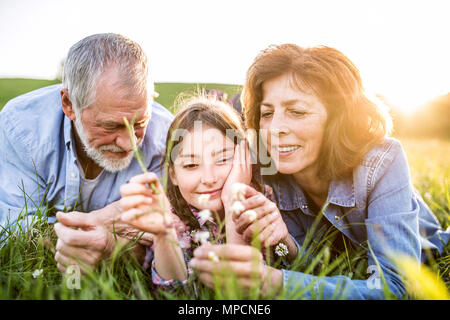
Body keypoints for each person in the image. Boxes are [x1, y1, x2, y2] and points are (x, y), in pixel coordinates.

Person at [189, 44, 450, 299]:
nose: (275, 128)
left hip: (428, 244)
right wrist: (286, 245)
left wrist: (276, 284)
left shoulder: (382, 161)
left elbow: (394, 286)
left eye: (297, 111)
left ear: (338, 119)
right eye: (267, 113)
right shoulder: (263, 167)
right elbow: (315, 266)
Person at [0, 33, 174, 273]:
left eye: (139, 123)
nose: (129, 143)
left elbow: (164, 244)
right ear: (69, 104)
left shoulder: (167, 136)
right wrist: (109, 220)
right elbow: (15, 234)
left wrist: (111, 245)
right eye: (110, 126)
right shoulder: (20, 127)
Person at [119, 95, 295, 289]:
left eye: (222, 159)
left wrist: (233, 202)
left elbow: (252, 288)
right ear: (173, 175)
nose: (209, 178)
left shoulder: (264, 200)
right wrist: (164, 235)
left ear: (243, 158)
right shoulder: (172, 217)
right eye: (191, 164)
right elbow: (174, 292)